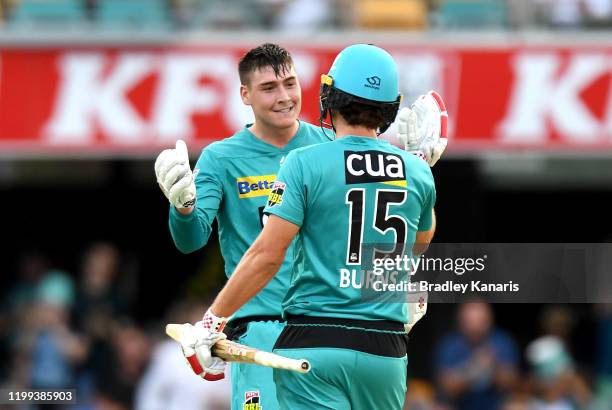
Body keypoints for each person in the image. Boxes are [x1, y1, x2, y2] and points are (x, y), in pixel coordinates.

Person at [155, 43, 446, 409]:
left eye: (290, 84)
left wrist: (211, 322)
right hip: (264, 331)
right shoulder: (220, 157)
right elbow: (191, 240)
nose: (284, 97)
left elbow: (272, 252)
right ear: (244, 94)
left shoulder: (321, 149)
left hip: (312, 331)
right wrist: (182, 209)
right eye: (269, 88)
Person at [435, 302, 519, 410]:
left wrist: (494, 366)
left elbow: (513, 382)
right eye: (469, 322)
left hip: (495, 405)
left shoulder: (502, 341)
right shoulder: (450, 344)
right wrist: (473, 368)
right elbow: (447, 387)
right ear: (460, 322)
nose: (475, 327)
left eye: (481, 321)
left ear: (489, 320)